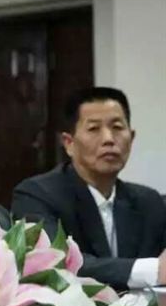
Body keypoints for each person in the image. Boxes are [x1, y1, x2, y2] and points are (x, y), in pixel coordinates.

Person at [12, 87, 166, 290]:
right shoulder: (36, 195)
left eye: (117, 127)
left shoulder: (149, 201)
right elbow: (58, 265)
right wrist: (154, 270)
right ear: (69, 143)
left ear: (132, 137)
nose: (109, 139)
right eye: (94, 129)